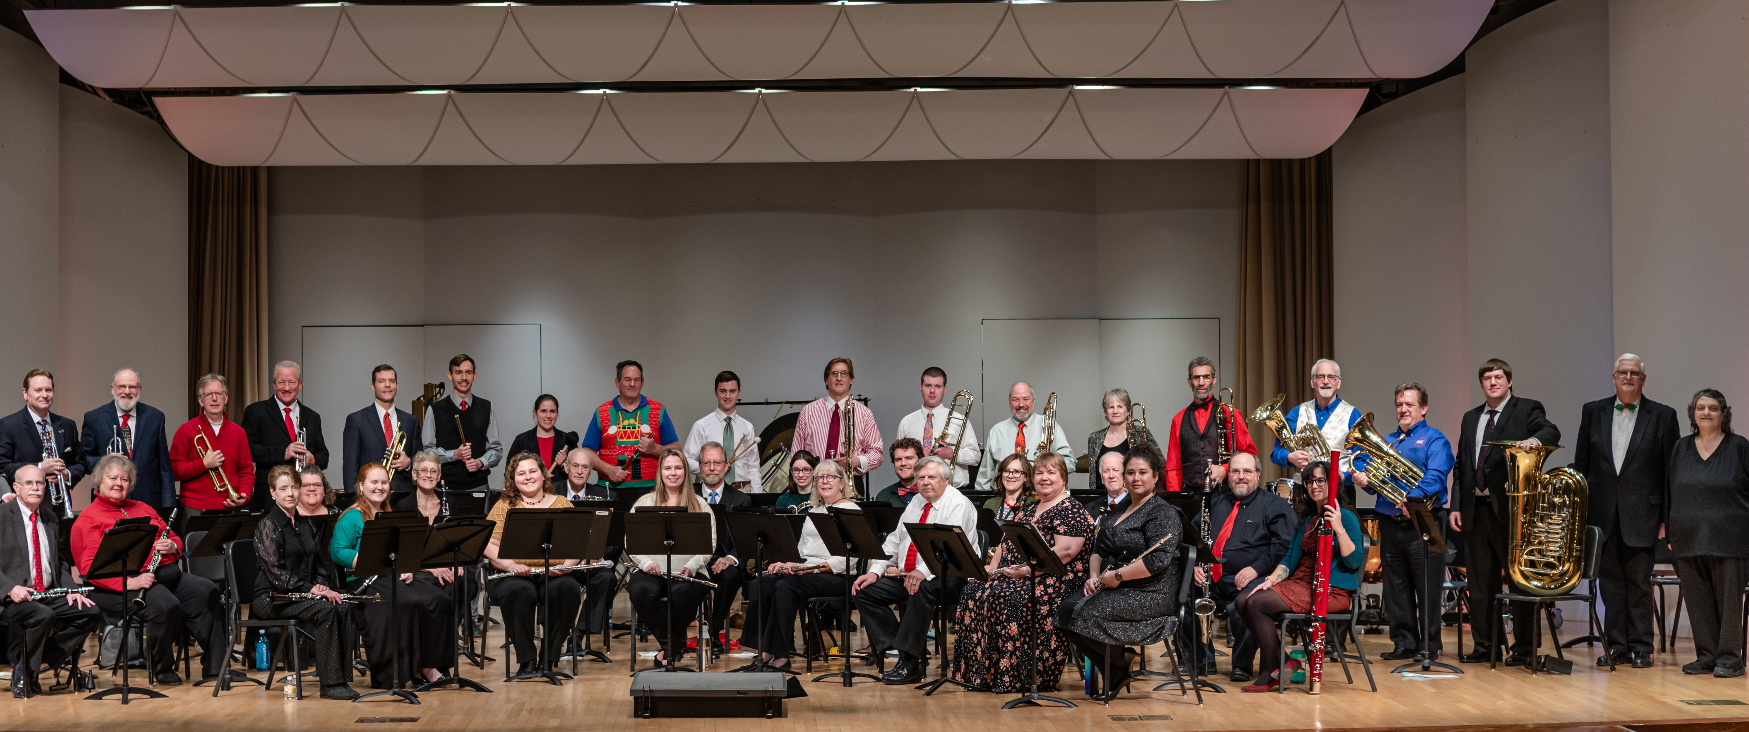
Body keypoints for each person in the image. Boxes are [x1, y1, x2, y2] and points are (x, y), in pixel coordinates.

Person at [72, 453, 228, 685]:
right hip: (120, 586)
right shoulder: (88, 520)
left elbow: (175, 538)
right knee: (165, 605)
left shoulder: (142, 507)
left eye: (125, 479)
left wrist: (172, 546)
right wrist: (130, 583)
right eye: (113, 478)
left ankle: (217, 667)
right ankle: (162, 667)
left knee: (206, 590)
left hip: (164, 576)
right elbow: (90, 570)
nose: (119, 484)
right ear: (99, 482)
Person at [1452, 358, 1560, 666]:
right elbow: (1462, 465)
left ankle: (1524, 648)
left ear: (1509, 381)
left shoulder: (1526, 408)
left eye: (1499, 377)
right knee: (1480, 584)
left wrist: (1533, 441)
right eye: (1487, 378)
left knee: (1518, 580)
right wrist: (1457, 505)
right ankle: (1486, 646)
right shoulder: (1471, 417)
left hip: (1513, 511)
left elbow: (1550, 431)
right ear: (1482, 384)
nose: (1493, 382)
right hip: (1475, 510)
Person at [955, 451, 1092, 693]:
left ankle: (1018, 677)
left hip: (1056, 581)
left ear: (1064, 478)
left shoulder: (1070, 509)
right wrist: (992, 567)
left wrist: (1027, 571)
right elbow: (1005, 540)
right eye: (1039, 473)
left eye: (1051, 473)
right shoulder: (1030, 508)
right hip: (1018, 575)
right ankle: (983, 674)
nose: (1044, 478)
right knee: (972, 591)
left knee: (1007, 596)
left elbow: (1066, 552)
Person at [1573, 354, 1678, 669]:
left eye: (1634, 373)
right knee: (1610, 586)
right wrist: (1581, 515)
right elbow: (1582, 464)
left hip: (1643, 515)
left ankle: (1642, 647)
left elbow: (1670, 472)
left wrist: (1667, 519)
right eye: (1623, 372)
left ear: (1643, 379)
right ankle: (1617, 646)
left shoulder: (1663, 415)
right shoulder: (1593, 411)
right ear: (1614, 377)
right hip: (1601, 514)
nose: (1628, 377)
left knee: (1639, 584)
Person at [1056, 447, 1182, 701]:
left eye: (1143, 472)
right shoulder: (1120, 508)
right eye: (1131, 473)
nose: (1136, 478)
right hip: (1118, 584)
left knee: (1086, 613)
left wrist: (1118, 576)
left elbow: (1157, 561)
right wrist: (1093, 576)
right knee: (1064, 611)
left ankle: (1116, 668)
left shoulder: (1162, 512)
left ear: (1155, 476)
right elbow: (1099, 549)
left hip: (1152, 591)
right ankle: (1118, 664)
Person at [1233, 460, 1363, 692]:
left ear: (1333, 483)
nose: (1314, 486)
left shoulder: (1347, 517)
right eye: (1309, 481)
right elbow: (1289, 558)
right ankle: (1285, 661)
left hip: (1330, 590)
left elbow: (1353, 561)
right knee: (1244, 599)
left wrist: (1339, 527)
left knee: (1256, 604)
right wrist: (1269, 581)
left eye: (1320, 480)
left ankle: (1271, 671)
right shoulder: (1309, 519)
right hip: (1301, 583)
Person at [851, 456, 979, 685]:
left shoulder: (958, 504)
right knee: (865, 591)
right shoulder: (917, 502)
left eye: (932, 477)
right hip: (910, 574)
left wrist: (922, 572)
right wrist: (875, 570)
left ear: (946, 480)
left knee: (922, 589)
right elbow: (894, 540)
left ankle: (910, 663)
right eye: (921, 478)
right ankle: (902, 647)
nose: (925, 482)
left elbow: (948, 548)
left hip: (951, 575)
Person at [1352, 382, 1454, 662]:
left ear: (1424, 408)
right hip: (1390, 520)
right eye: (1399, 404)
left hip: (1423, 519)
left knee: (1427, 586)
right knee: (1395, 586)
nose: (1403, 409)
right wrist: (1365, 480)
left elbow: (1437, 475)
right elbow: (1375, 485)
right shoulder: (1387, 442)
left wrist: (1412, 498)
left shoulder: (1436, 439)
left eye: (1410, 404)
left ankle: (1429, 645)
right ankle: (1404, 643)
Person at [329, 463, 452, 688]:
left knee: (437, 599)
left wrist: (407, 567)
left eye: (384, 482)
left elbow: (402, 549)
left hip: (392, 575)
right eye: (374, 482)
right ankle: (403, 671)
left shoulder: (391, 514)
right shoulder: (352, 516)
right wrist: (366, 559)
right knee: (407, 601)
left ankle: (430, 665)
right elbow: (338, 550)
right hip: (365, 580)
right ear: (361, 486)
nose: (380, 487)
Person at [252, 465, 359, 700]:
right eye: (283, 489)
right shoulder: (267, 525)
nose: (290, 493)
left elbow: (317, 563)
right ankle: (330, 684)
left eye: (294, 487)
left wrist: (322, 587)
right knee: (325, 610)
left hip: (299, 594)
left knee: (342, 605)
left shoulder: (304, 524)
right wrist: (311, 589)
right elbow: (276, 573)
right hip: (271, 597)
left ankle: (341, 678)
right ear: (272, 492)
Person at [742, 459, 859, 669]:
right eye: (820, 477)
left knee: (784, 586)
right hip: (808, 571)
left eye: (830, 477)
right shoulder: (815, 511)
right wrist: (787, 563)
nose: (824, 481)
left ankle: (781, 654)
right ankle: (763, 649)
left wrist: (809, 569)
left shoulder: (851, 510)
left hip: (838, 575)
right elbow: (803, 550)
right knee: (761, 584)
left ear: (842, 483)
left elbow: (848, 558)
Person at [1190, 451, 1295, 682]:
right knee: (1186, 593)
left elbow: (1283, 547)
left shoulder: (1275, 506)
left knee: (1248, 601)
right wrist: (1196, 564)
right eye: (1235, 471)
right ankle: (1202, 660)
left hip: (1255, 576)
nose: (1241, 476)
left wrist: (1256, 568)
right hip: (1212, 576)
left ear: (1258, 474)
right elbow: (1193, 535)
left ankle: (1242, 663)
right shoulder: (1214, 504)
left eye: (1247, 471)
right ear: (1229, 476)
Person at [1665, 389, 1748, 678]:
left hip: (1730, 538)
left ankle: (1730, 659)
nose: (1707, 413)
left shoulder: (1739, 446)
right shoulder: (1682, 447)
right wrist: (1669, 529)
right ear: (1693, 413)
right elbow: (1670, 490)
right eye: (1701, 407)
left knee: (1728, 602)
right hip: (1687, 536)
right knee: (1697, 600)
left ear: (1723, 414)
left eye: (1713, 408)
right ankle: (1707, 655)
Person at [0, 465, 100, 697]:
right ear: (16, 487)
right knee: (42, 615)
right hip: (11, 597)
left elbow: (59, 563)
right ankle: (27, 671)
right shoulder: (2, 516)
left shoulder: (49, 517)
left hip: (46, 592)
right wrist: (9, 588)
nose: (35, 488)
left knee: (90, 612)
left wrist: (72, 589)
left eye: (40, 483)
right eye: (29, 483)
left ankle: (27, 663)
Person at [484, 452, 585, 676]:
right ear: (513, 479)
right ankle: (526, 660)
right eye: (521, 473)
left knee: (567, 589)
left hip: (555, 573)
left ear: (544, 474)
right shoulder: (504, 506)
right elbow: (488, 543)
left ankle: (549, 658)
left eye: (533, 471)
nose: (528, 477)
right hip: (514, 574)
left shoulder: (562, 503)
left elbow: (577, 544)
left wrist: (565, 567)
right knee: (518, 591)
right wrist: (511, 566)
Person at [626, 449, 718, 668]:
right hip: (652, 570)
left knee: (682, 593)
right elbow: (630, 541)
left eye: (678, 468)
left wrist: (692, 566)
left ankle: (668, 650)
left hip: (689, 572)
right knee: (639, 590)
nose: (673, 473)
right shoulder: (644, 503)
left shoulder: (699, 504)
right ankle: (673, 646)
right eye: (668, 468)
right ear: (660, 472)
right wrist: (646, 563)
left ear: (685, 471)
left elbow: (710, 543)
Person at [79, 368, 175, 511]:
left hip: (148, 501)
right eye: (122, 386)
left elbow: (164, 467)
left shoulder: (155, 417)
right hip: (109, 502)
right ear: (113, 389)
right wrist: (105, 461)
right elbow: (83, 460)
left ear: (139, 389)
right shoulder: (94, 418)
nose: (127, 391)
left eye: (132, 387)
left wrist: (168, 508)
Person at [241, 361, 329, 510]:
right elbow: (248, 450)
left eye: (291, 382)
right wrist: (284, 453)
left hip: (304, 493)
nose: (287, 388)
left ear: (300, 385)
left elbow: (324, 456)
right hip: (270, 492)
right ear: (274, 384)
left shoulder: (312, 416)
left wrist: (313, 459)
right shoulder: (255, 411)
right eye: (282, 382)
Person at [1164, 357, 1259, 495]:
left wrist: (1225, 469)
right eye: (1196, 378)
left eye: (1206, 377)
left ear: (1214, 380)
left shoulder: (1230, 413)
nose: (1201, 382)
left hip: (1225, 493)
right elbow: (1173, 467)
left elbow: (1251, 455)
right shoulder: (1178, 419)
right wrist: (1175, 498)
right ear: (1189, 382)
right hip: (1191, 495)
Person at [556, 447, 619, 653]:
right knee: (560, 585)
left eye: (585, 467)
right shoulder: (551, 493)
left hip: (591, 563)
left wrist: (593, 556)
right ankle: (558, 634)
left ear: (591, 471)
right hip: (560, 563)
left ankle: (579, 634)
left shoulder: (606, 495)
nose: (580, 471)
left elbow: (614, 541)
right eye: (575, 466)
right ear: (566, 467)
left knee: (607, 578)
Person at [423, 354, 503, 513]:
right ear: (450, 375)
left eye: (468, 372)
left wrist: (480, 462)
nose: (464, 377)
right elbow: (427, 453)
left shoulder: (486, 407)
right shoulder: (435, 409)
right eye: (458, 372)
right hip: (444, 487)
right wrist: (455, 454)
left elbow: (496, 450)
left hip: (478, 487)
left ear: (475, 375)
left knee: (479, 528)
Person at [584, 360, 681, 490]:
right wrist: (609, 470)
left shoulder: (658, 410)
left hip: (652, 489)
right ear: (617, 382)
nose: (632, 384)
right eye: (627, 379)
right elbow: (587, 452)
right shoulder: (602, 412)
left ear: (642, 383)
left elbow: (677, 450)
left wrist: (655, 449)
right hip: (609, 488)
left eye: (637, 380)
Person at [791, 358, 884, 490]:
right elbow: (796, 454)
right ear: (826, 380)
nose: (839, 378)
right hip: (814, 483)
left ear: (851, 380)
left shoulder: (865, 413)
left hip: (849, 483)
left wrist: (855, 461)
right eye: (834, 374)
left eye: (844, 373)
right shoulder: (808, 411)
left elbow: (877, 453)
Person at [170, 373, 254, 513]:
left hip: (231, 507)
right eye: (209, 394)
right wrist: (203, 464)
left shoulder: (239, 432)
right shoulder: (186, 430)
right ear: (201, 400)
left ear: (226, 398)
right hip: (195, 508)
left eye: (219, 394)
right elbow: (173, 471)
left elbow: (246, 471)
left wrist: (244, 494)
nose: (214, 398)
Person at [0, 370, 84, 508]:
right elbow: (3, 467)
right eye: (38, 390)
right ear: (25, 393)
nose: (44, 395)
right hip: (25, 506)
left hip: (60, 507)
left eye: (48, 390)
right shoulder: (8, 425)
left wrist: (67, 474)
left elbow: (81, 463)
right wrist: (40, 467)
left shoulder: (67, 425)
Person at [893, 367, 981, 488]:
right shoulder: (906, 422)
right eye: (928, 385)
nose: (932, 391)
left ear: (945, 389)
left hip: (951, 488)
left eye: (938, 386)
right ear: (921, 387)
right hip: (916, 489)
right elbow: (898, 457)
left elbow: (975, 457)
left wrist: (952, 454)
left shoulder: (960, 421)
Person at [343, 364, 423, 496]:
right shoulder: (356, 420)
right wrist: (353, 499)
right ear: (373, 386)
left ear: (397, 385)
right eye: (381, 381)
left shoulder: (411, 421)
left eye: (392, 381)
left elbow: (421, 459)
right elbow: (350, 467)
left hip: (403, 495)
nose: (387, 385)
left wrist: (409, 462)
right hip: (369, 495)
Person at [976, 382, 1072, 491]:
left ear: (1033, 401)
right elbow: (985, 475)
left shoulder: (1050, 426)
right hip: (1005, 496)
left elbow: (1069, 462)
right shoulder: (996, 431)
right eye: (1015, 399)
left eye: (1026, 399)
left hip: (1040, 495)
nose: (1021, 404)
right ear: (1009, 402)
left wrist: (1046, 469)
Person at [683, 371, 763, 492]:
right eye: (723, 391)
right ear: (716, 392)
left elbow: (753, 467)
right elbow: (686, 460)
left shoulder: (747, 427)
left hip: (742, 490)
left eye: (732, 391)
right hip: (710, 489)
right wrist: (710, 470)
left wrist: (757, 495)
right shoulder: (701, 425)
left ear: (739, 392)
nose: (727, 396)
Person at [1085, 388, 1160, 490]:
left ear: (1128, 411)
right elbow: (1093, 473)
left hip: (1132, 494)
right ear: (1106, 412)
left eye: (1120, 406)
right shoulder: (1094, 438)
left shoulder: (1140, 433)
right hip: (1101, 494)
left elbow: (1159, 463)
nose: (1115, 411)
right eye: (1111, 407)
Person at [507, 394, 577, 486]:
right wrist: (536, 477)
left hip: (560, 492)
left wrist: (563, 466)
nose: (548, 416)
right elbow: (509, 473)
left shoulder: (568, 440)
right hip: (529, 492)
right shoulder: (522, 440)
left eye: (552, 411)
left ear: (557, 413)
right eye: (543, 411)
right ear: (535, 413)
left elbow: (578, 475)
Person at [395, 452, 452, 522]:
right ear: (414, 474)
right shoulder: (403, 506)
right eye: (423, 470)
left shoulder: (450, 502)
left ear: (439, 476)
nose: (428, 475)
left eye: (433, 471)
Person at [983, 453, 1034, 521]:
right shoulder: (989, 504)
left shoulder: (1033, 505)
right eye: (1006, 471)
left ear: (1026, 477)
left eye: (1016, 471)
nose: (1010, 476)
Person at [875, 438, 922, 507]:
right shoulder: (883, 496)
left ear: (920, 461)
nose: (903, 463)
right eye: (898, 459)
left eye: (909, 458)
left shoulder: (932, 492)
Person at [1085, 451, 1130, 516]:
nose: (1111, 476)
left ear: (1124, 475)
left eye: (1116, 470)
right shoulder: (1090, 509)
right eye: (1106, 471)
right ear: (1102, 478)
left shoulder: (1135, 505)